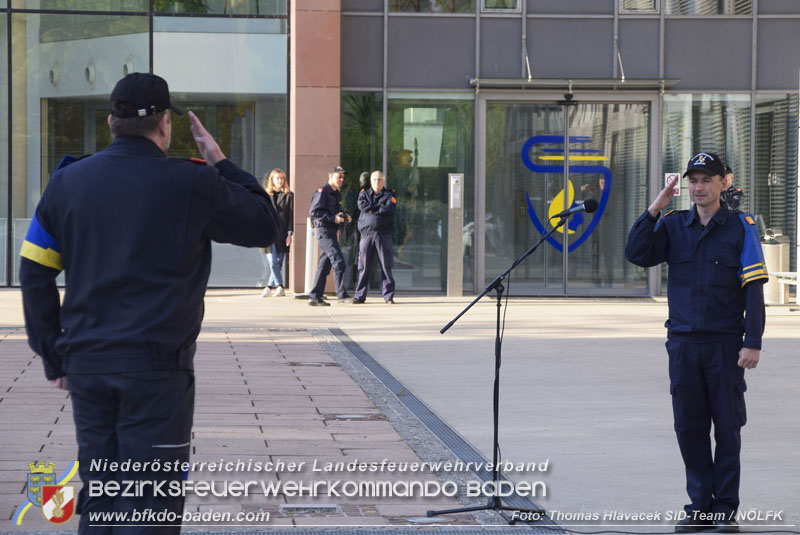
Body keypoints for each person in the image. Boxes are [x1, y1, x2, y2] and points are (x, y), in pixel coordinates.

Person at [19, 72, 278, 534]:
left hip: (89, 365)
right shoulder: (192, 182)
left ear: (110, 122)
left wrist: (52, 352)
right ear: (165, 125)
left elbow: (34, 271)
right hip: (157, 371)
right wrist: (219, 160)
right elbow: (265, 224)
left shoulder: (67, 183)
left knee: (100, 494)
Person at [624, 152, 767, 533]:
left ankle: (724, 509)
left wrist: (752, 340)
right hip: (683, 344)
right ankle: (700, 507)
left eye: (707, 180)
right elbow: (636, 253)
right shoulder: (674, 226)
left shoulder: (740, 227)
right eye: (693, 181)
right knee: (689, 427)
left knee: (727, 427)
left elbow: (753, 288)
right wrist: (656, 207)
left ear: (724, 183)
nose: (699, 187)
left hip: (724, 345)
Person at [308, 165, 352, 306]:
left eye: (343, 177)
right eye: (338, 176)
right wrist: (333, 218)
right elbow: (314, 213)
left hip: (332, 232)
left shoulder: (336, 193)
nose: (341, 179)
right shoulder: (323, 192)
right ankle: (341, 295)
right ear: (330, 176)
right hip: (324, 232)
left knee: (324, 266)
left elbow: (336, 212)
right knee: (339, 262)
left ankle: (315, 296)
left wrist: (344, 217)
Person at [353, 171, 397, 304]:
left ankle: (388, 296)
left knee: (386, 265)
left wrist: (372, 208)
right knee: (364, 267)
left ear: (383, 181)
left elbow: (389, 209)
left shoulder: (390, 194)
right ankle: (360, 296)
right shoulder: (363, 194)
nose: (377, 182)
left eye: (379, 180)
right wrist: (380, 206)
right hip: (367, 235)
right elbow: (362, 206)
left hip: (383, 234)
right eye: (374, 180)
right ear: (371, 181)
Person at [260, 168, 293, 297]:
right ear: (272, 180)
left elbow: (290, 216)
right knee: (272, 261)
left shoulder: (289, 195)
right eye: (277, 178)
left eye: (282, 178)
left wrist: (290, 234)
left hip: (283, 233)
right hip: (268, 232)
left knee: (278, 262)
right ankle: (280, 286)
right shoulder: (266, 195)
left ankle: (268, 287)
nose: (280, 181)